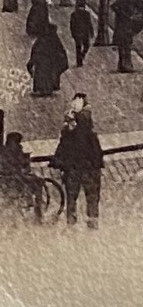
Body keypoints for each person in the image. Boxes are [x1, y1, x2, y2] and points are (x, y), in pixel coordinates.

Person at [51, 93, 103, 229]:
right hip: (85, 168)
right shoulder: (88, 135)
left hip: (76, 168)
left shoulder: (71, 134)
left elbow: (62, 150)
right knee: (89, 195)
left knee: (74, 195)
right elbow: (97, 153)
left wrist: (58, 163)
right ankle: (89, 220)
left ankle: (73, 222)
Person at [28, 21, 69, 97]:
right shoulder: (55, 40)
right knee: (50, 76)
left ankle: (41, 89)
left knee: (41, 75)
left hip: (41, 62)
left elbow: (35, 50)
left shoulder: (41, 39)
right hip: (51, 62)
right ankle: (48, 89)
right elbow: (60, 51)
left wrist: (32, 61)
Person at [68, 0, 93, 67]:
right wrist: (91, 32)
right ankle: (81, 56)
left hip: (77, 33)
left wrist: (72, 33)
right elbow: (89, 24)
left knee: (78, 47)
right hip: (85, 32)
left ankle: (79, 61)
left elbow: (72, 25)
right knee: (86, 46)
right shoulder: (87, 14)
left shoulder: (73, 14)